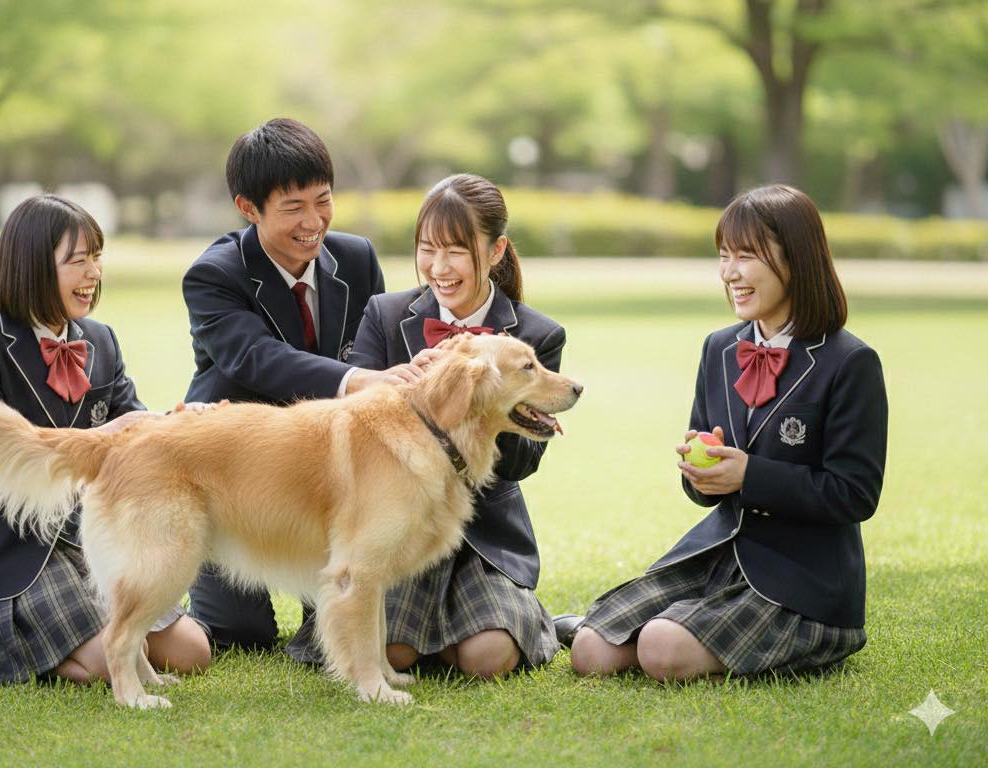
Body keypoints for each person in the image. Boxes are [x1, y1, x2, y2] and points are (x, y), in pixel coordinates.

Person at [564, 184, 888, 681]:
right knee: (590, 650)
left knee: (660, 648)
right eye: (723, 256)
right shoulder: (718, 348)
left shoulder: (850, 362)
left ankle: (820, 643)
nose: (729, 272)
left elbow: (855, 495)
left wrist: (750, 476)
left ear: (796, 259)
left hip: (806, 580)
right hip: (719, 554)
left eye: (745, 256)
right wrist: (699, 473)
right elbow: (703, 489)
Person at [0, 195, 211, 684]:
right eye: (77, 260)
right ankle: (11, 644)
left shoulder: (101, 341)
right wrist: (96, 439)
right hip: (2, 544)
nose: (93, 273)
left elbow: (129, 420)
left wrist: (178, 420)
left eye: (97, 257)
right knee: (101, 667)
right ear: (31, 266)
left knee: (193, 652)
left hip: (79, 535)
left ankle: (77, 635)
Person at [287, 173, 566, 678]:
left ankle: (519, 625)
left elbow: (522, 466)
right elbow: (353, 422)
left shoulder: (535, 334)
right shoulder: (386, 314)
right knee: (392, 652)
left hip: (482, 535)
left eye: (457, 250)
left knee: (488, 660)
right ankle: (433, 640)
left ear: (496, 250)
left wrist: (483, 401)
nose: (439, 268)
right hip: (391, 528)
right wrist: (420, 390)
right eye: (427, 249)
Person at [183, 118, 421, 649]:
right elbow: (256, 358)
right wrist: (357, 380)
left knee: (342, 623)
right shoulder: (214, 274)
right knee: (240, 634)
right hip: (233, 473)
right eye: (294, 207)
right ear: (249, 208)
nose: (314, 221)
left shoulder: (356, 259)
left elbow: (376, 345)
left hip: (327, 478)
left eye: (324, 200)